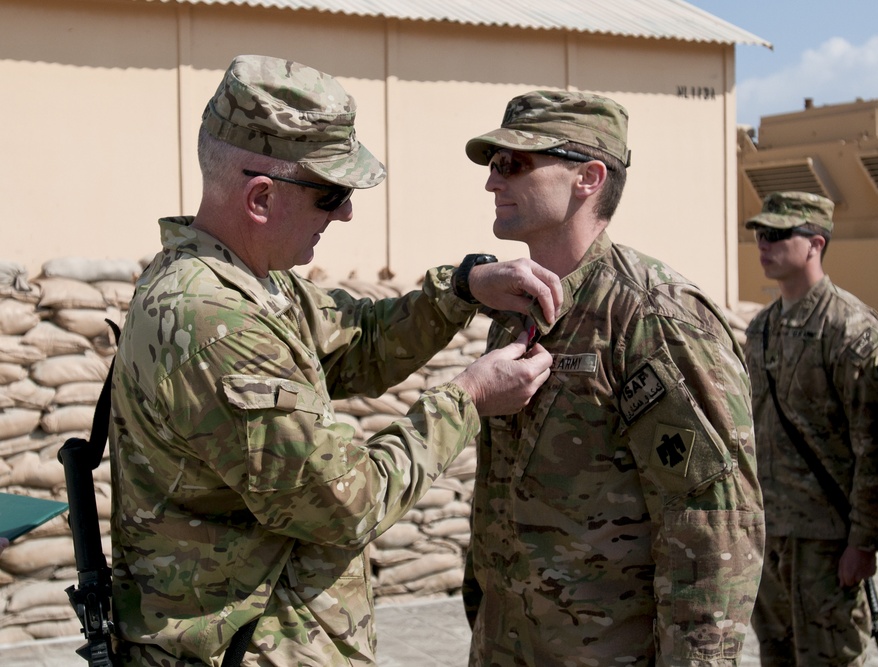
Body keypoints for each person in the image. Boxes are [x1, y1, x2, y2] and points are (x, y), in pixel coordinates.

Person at [108, 55, 564, 666]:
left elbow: (359, 342)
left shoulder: (253, 283)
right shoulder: (215, 322)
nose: (346, 212)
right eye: (331, 194)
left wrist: (461, 289)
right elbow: (347, 502)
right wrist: (469, 399)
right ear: (262, 197)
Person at [460, 89, 765, 665]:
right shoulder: (517, 310)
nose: (491, 183)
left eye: (513, 164)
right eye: (492, 165)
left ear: (589, 177)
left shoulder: (651, 317)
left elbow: (713, 524)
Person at [743, 192, 878, 666]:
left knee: (832, 658)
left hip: (826, 541)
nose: (764, 245)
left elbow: (874, 446)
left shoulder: (850, 327)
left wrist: (863, 541)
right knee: (776, 655)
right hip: (771, 534)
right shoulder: (761, 328)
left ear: (815, 244)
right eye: (760, 235)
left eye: (778, 235)